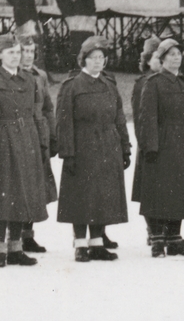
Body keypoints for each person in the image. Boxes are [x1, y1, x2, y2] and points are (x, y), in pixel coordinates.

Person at [56, 36, 131, 262]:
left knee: (102, 193)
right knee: (81, 194)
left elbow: (119, 119)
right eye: (93, 58)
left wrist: (125, 147)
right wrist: (67, 153)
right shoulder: (72, 86)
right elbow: (64, 121)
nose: (98, 62)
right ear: (83, 60)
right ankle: (80, 244)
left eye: (101, 58)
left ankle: (97, 243)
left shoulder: (109, 85)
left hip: (108, 144)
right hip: (83, 145)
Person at [0, 33, 48, 267]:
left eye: (18, 52)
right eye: (10, 52)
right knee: (2, 194)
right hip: (3, 140)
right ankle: (0, 249)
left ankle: (16, 248)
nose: (16, 57)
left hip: (26, 140)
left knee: (21, 194)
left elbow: (35, 114)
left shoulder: (29, 80)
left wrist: (41, 141)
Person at [136, 39, 184, 258]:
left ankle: (175, 238)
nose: (176, 57)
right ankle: (158, 239)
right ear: (162, 58)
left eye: (179, 54)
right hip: (164, 142)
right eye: (171, 54)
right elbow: (147, 117)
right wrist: (150, 146)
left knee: (180, 190)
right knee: (161, 191)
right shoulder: (154, 83)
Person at [19, 35, 58, 253]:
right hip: (20, 133)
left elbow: (47, 108)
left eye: (31, 52)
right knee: (19, 186)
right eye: (24, 51)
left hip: (39, 134)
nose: (27, 56)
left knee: (36, 187)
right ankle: (12, 235)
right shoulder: (11, 76)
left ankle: (28, 235)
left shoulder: (40, 76)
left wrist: (52, 136)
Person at [130, 36, 164, 246]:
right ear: (148, 60)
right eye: (156, 57)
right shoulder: (143, 83)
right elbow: (139, 118)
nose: (160, 61)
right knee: (150, 191)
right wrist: (146, 144)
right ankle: (152, 230)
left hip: (169, 144)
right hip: (150, 145)